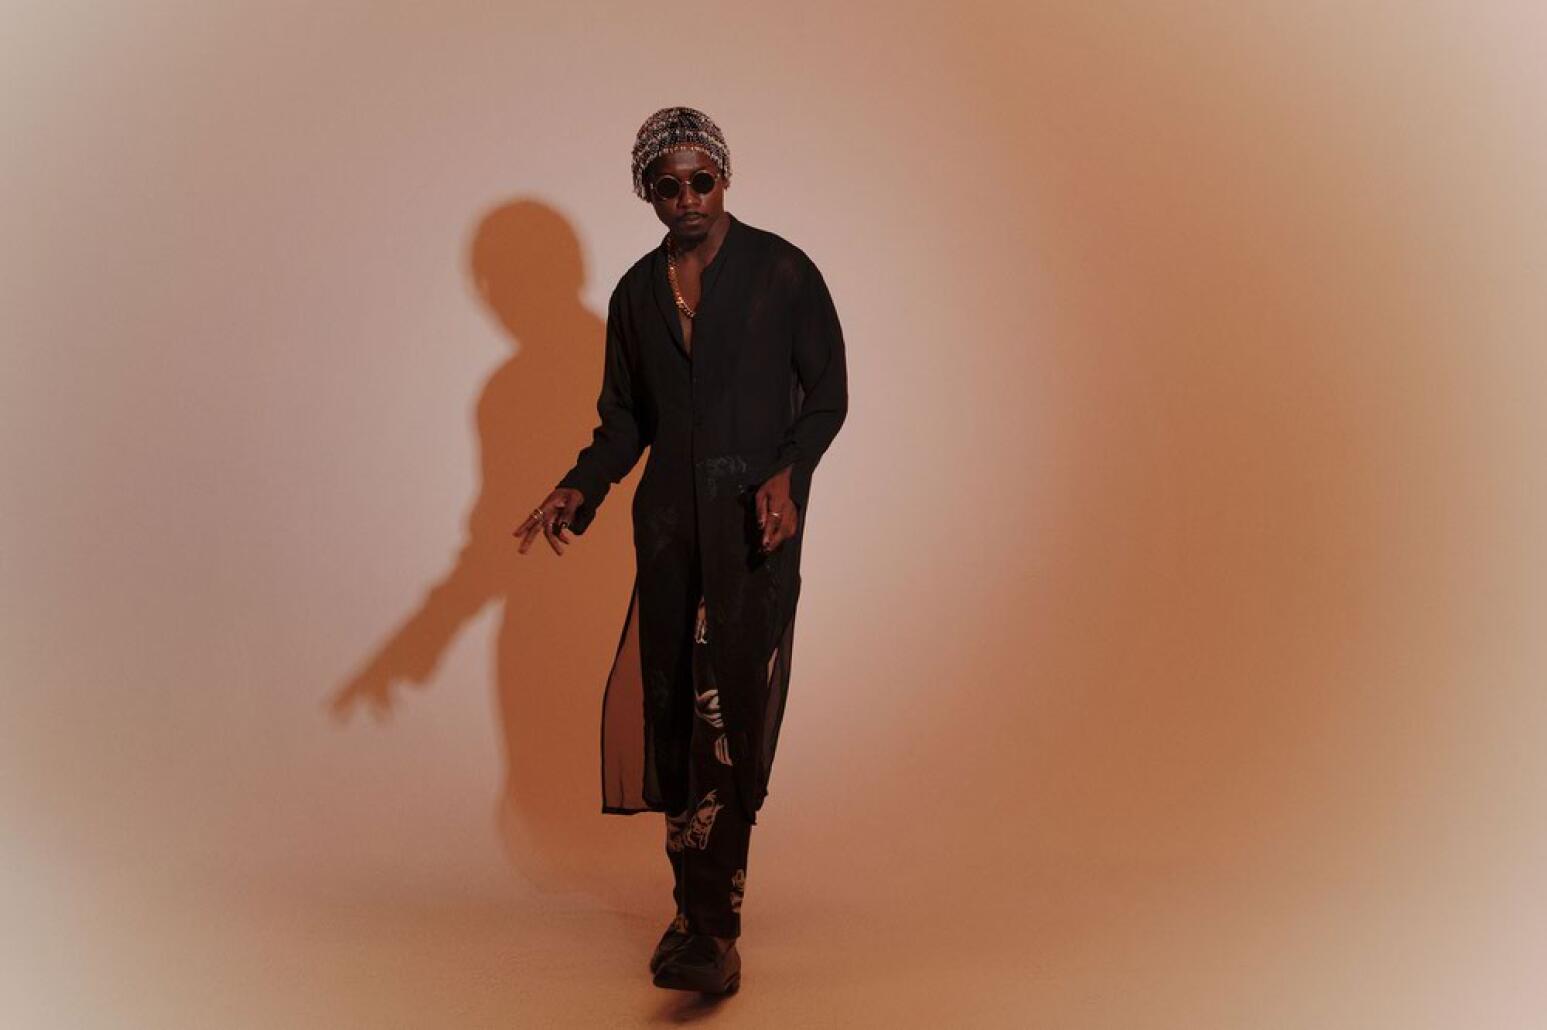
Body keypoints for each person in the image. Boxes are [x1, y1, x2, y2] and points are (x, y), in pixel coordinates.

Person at [512, 106, 848, 996]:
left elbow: (826, 396)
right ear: (647, 193)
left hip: (751, 530)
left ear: (724, 177)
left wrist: (787, 475)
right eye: (667, 186)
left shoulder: (780, 271)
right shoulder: (636, 294)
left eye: (702, 180)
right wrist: (578, 486)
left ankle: (716, 929)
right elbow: (624, 422)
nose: (687, 198)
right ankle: (688, 916)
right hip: (666, 529)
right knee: (672, 714)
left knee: (722, 715)